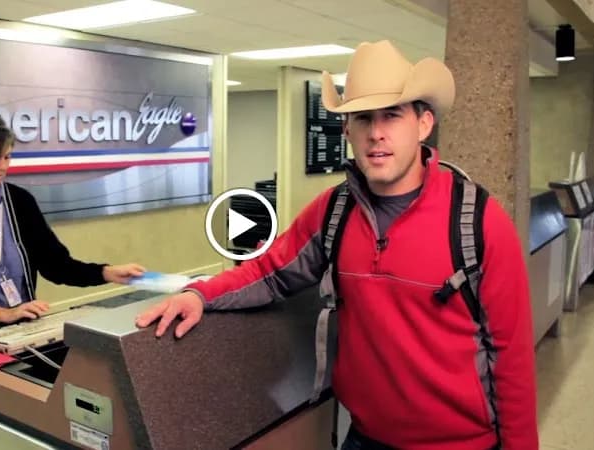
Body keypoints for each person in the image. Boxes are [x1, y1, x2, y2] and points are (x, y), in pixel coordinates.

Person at [135, 41, 537, 449]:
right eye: (363, 118)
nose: (377, 133)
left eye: (392, 116)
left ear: (423, 124)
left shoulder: (476, 221)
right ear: (347, 130)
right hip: (364, 439)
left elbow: (511, 356)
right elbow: (269, 272)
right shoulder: (333, 211)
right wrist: (200, 294)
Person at [0, 112, 145, 342]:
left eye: (7, 157)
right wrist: (1, 314)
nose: (2, 167)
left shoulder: (20, 202)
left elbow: (56, 265)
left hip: (16, 334)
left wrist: (106, 272)